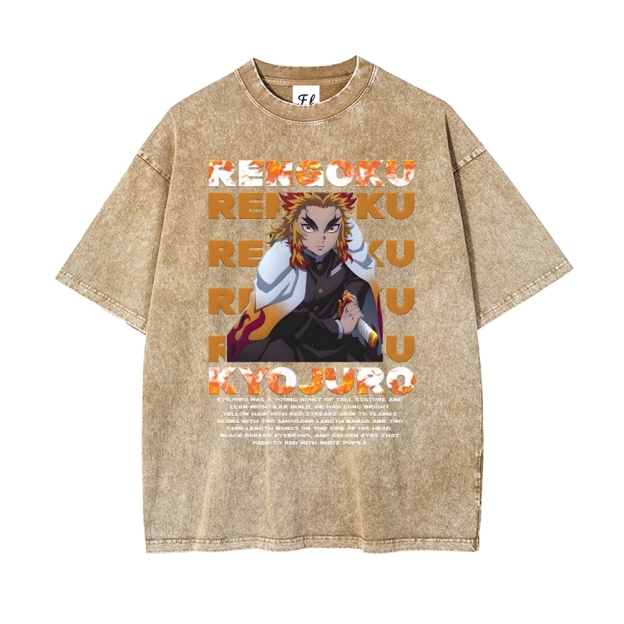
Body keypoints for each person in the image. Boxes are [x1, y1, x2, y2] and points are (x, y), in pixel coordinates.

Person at [227, 191, 383, 362]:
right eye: (309, 227)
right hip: (293, 346)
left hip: (337, 346)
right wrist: (339, 327)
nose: (322, 238)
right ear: (294, 225)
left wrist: (351, 299)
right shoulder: (282, 263)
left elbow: (357, 281)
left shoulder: (346, 257)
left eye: (331, 228)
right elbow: (288, 320)